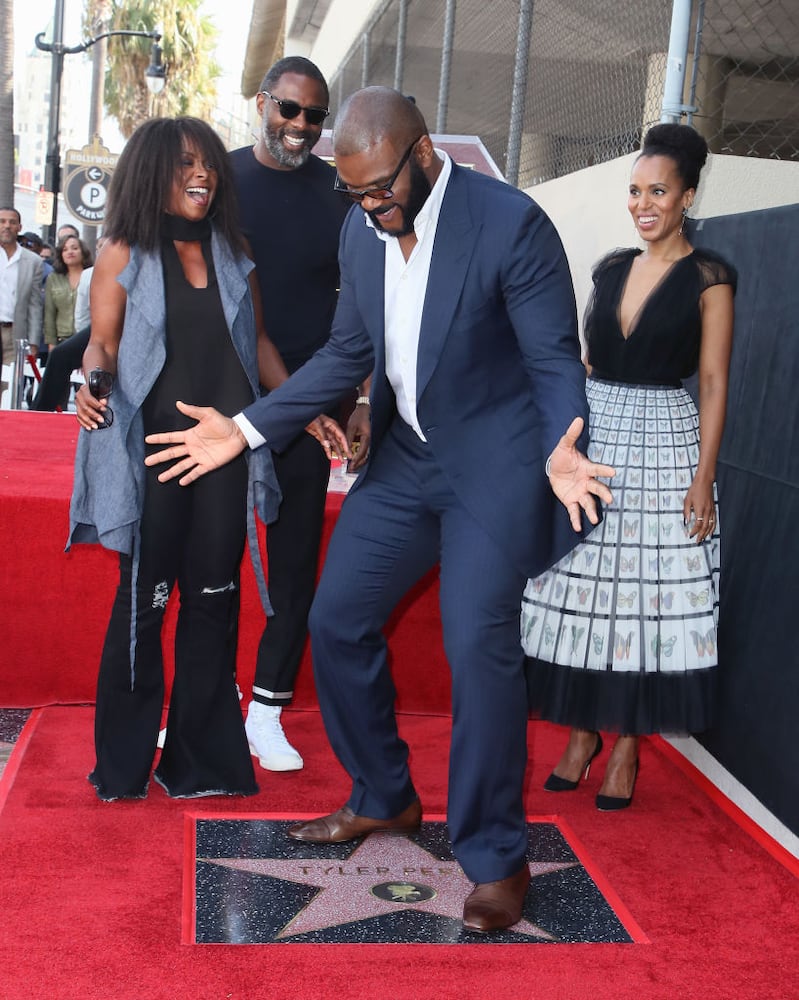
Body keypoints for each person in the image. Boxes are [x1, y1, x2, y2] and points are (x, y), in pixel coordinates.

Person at [143, 87, 613, 932]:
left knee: (478, 648)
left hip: (495, 469)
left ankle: (496, 857)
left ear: (423, 154)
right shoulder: (362, 233)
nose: (368, 210)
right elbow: (346, 355)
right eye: (353, 196)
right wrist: (245, 430)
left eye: (380, 193)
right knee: (337, 620)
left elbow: (550, 356)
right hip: (406, 464)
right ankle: (385, 796)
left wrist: (563, 444)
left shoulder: (510, 225)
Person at [69, 116, 342, 801]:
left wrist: (302, 409)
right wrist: (92, 383)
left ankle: (202, 761)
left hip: (225, 456)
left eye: (210, 163)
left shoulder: (232, 251)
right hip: (158, 455)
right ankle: (124, 764)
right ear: (153, 171)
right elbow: (100, 343)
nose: (204, 173)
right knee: (144, 603)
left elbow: (259, 345)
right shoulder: (123, 251)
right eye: (187, 162)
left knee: (214, 604)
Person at [521, 123, 735, 811]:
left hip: (665, 442)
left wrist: (702, 476)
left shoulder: (710, 277)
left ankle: (627, 747)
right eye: (635, 190)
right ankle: (581, 733)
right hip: (598, 434)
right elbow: (585, 362)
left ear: (687, 196)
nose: (643, 203)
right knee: (585, 586)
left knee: (643, 599)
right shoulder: (610, 267)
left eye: (658, 191)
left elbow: (712, 381)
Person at [229, 56, 366, 772]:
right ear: (263, 103)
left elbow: (368, 299)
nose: (302, 127)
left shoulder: (339, 194)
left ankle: (268, 708)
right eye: (290, 110)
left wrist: (359, 395)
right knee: (209, 556)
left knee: (292, 563)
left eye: (315, 116)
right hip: (222, 396)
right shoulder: (217, 179)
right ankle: (205, 703)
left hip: (312, 402)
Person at [32, 238, 106, 412]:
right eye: (101, 247)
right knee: (59, 355)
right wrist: (88, 348)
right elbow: (81, 314)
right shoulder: (88, 275)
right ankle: (39, 412)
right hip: (97, 330)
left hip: (128, 326)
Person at [0, 207, 43, 398]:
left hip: (14, 334)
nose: (6, 226)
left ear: (19, 227)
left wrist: (33, 341)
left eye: (11, 222)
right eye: (2, 221)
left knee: (9, 389)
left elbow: (35, 305)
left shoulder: (32, 261)